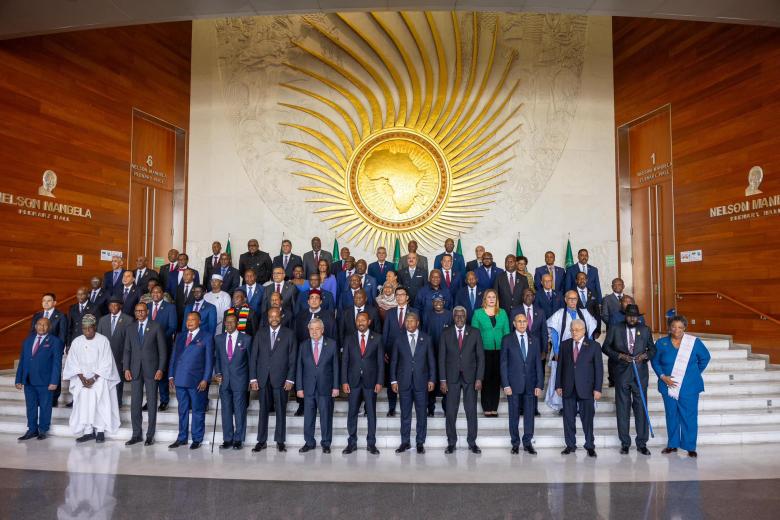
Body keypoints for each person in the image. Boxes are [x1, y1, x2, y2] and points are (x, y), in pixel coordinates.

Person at [652, 315, 711, 458]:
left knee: (689, 416)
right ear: (669, 327)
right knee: (671, 415)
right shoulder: (661, 343)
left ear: (685, 328)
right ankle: (672, 444)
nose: (676, 330)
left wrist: (693, 373)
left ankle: (690, 446)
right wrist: (662, 376)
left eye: (680, 327)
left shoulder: (693, 342)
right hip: (668, 385)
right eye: (673, 326)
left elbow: (705, 358)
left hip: (689, 386)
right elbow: (655, 361)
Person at [601, 304, 656, 455]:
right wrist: (619, 356)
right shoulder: (615, 328)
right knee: (623, 409)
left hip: (640, 374)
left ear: (638, 317)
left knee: (641, 408)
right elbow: (605, 347)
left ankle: (642, 443)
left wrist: (644, 356)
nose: (632, 318)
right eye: (629, 315)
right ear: (625, 316)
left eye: (635, 316)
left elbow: (652, 349)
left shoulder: (645, 329)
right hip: (622, 374)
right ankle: (625, 443)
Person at [63, 315, 121, 443]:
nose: (87, 331)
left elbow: (107, 363)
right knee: (84, 405)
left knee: (99, 403)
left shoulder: (103, 340)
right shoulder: (77, 341)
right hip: (82, 380)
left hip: (99, 378)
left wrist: (94, 378)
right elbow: (72, 362)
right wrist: (82, 378)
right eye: (84, 329)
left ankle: (100, 430)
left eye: (90, 328)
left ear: (95, 327)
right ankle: (88, 431)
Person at [250, 307, 297, 452]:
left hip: (281, 379)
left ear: (281, 317)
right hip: (263, 378)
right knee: (262, 410)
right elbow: (253, 358)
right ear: (267, 318)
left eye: (276, 316)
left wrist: (290, 379)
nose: (274, 319)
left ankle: (280, 441)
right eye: (271, 316)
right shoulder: (260, 333)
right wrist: (253, 378)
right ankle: (261, 440)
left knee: (281, 410)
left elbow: (292, 359)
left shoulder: (289, 334)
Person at [439, 306, 484, 454]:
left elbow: (480, 358)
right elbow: (442, 358)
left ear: (466, 317)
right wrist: (443, 380)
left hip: (470, 378)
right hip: (451, 378)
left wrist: (479, 378)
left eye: (462, 316)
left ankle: (472, 442)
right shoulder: (446, 333)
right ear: (453, 317)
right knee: (451, 411)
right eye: (456, 316)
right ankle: (451, 442)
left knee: (471, 411)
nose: (459, 318)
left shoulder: (475, 333)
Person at [555, 319, 603, 457]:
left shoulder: (594, 346)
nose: (574, 332)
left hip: (587, 388)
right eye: (572, 330)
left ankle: (589, 445)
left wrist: (598, 388)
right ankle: (570, 445)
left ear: (584, 330)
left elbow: (598, 369)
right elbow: (560, 367)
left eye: (577, 330)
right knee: (568, 418)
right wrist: (558, 385)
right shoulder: (564, 345)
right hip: (568, 387)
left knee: (587, 419)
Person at [168, 312, 214, 450]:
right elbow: (174, 356)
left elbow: (209, 360)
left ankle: (197, 438)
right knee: (182, 410)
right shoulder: (181, 336)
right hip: (180, 379)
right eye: (188, 320)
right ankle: (182, 438)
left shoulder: (206, 336)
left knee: (198, 411)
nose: (190, 322)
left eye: (193, 319)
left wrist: (206, 379)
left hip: (196, 381)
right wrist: (171, 375)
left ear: (199, 321)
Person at [122, 303, 167, 446]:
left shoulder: (156, 326)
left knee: (152, 402)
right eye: (137, 311)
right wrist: (126, 368)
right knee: (135, 403)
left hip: (152, 371)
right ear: (135, 313)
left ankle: (150, 435)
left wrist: (160, 369)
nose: (140, 313)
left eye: (142, 311)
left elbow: (163, 351)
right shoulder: (130, 328)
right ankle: (136, 434)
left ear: (147, 311)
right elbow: (127, 350)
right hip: (135, 370)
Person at [391, 312, 435, 453]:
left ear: (418, 323)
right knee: (405, 414)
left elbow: (431, 361)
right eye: (407, 321)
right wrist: (393, 380)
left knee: (422, 414)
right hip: (404, 382)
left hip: (421, 382)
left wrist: (432, 379)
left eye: (412, 321)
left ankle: (420, 442)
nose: (409, 323)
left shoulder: (426, 339)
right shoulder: (399, 339)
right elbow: (394, 362)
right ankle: (405, 442)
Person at [341, 311, 384, 455]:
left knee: (371, 413)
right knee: (352, 413)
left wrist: (379, 381)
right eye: (358, 320)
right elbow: (345, 361)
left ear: (369, 321)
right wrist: (344, 381)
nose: (360, 322)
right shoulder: (349, 338)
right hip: (353, 381)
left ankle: (371, 444)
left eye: (363, 320)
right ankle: (351, 443)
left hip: (371, 382)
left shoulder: (377, 338)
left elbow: (380, 362)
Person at [501, 313, 543, 454]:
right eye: (519, 321)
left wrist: (539, 384)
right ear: (514, 323)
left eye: (524, 321)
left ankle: (527, 442)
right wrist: (506, 384)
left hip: (530, 385)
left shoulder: (534, 340)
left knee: (529, 415)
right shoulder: (507, 339)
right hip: (513, 385)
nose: (522, 324)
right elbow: (503, 364)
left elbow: (538, 363)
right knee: (513, 415)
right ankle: (515, 443)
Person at [15, 317, 64, 441]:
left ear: (49, 327)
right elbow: (23, 361)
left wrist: (54, 381)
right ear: (35, 326)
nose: (42, 327)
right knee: (30, 406)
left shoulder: (55, 341)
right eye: (39, 324)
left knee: (45, 406)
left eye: (45, 325)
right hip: (29, 380)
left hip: (45, 381)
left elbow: (57, 363)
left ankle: (43, 430)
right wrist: (18, 379)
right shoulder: (27, 341)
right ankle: (32, 429)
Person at [296, 318, 340, 453]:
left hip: (326, 387)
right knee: (308, 417)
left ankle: (326, 443)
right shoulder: (303, 345)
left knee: (326, 416)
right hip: (308, 387)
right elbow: (299, 367)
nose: (314, 332)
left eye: (317, 329)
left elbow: (336, 367)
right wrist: (299, 387)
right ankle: (309, 442)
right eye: (311, 329)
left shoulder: (332, 344)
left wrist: (336, 387)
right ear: (308, 330)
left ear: (322, 330)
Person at [214, 314, 252, 450]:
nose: (229, 324)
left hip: (240, 380)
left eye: (232, 322)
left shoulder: (246, 339)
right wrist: (217, 373)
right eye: (227, 322)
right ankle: (227, 439)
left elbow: (250, 361)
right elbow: (217, 358)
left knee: (239, 410)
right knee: (226, 411)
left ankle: (238, 439)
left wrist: (251, 379)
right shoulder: (219, 339)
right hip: (224, 380)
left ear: (237, 323)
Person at [471, 288, 509, 417]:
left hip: (500, 351)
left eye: (494, 297)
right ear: (485, 299)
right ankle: (486, 407)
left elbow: (507, 333)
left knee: (496, 379)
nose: (492, 299)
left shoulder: (502, 313)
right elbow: (474, 335)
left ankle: (494, 407)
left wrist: (507, 350)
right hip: (483, 351)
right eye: (489, 297)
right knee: (486, 380)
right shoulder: (478, 314)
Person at [511, 288, 548, 417]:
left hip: (536, 352)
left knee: (535, 379)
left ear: (534, 297)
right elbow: (511, 332)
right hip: (519, 351)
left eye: (530, 294)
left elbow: (544, 331)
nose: (528, 296)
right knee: (521, 378)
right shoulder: (515, 311)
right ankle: (521, 408)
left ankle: (533, 408)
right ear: (522, 296)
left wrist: (544, 350)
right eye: (526, 294)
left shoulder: (540, 312)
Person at [147, 285, 177, 411]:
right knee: (149, 374)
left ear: (162, 294)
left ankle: (164, 400)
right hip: (148, 347)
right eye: (153, 292)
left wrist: (159, 339)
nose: (156, 294)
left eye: (158, 292)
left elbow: (173, 326)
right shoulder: (147, 307)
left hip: (163, 345)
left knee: (162, 373)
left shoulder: (170, 307)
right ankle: (150, 401)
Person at [97, 297, 132, 405]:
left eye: (115, 305)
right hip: (105, 356)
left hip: (120, 355)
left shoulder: (128, 319)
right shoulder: (103, 320)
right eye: (111, 305)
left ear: (120, 306)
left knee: (118, 381)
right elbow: (99, 338)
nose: (113, 307)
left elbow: (129, 340)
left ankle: (117, 402)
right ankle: (105, 403)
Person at [422, 294, 452, 416]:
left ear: (444, 302)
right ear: (432, 302)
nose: (438, 303)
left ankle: (446, 408)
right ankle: (430, 408)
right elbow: (423, 332)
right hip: (431, 352)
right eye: (435, 301)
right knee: (431, 379)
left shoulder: (449, 315)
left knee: (446, 380)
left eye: (440, 300)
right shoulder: (427, 314)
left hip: (447, 353)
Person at [574, 272, 602, 339]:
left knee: (590, 348)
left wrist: (598, 330)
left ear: (587, 280)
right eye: (579, 279)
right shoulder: (572, 293)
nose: (582, 280)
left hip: (591, 328)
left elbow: (597, 313)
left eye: (584, 278)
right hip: (576, 328)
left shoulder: (594, 293)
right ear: (576, 281)